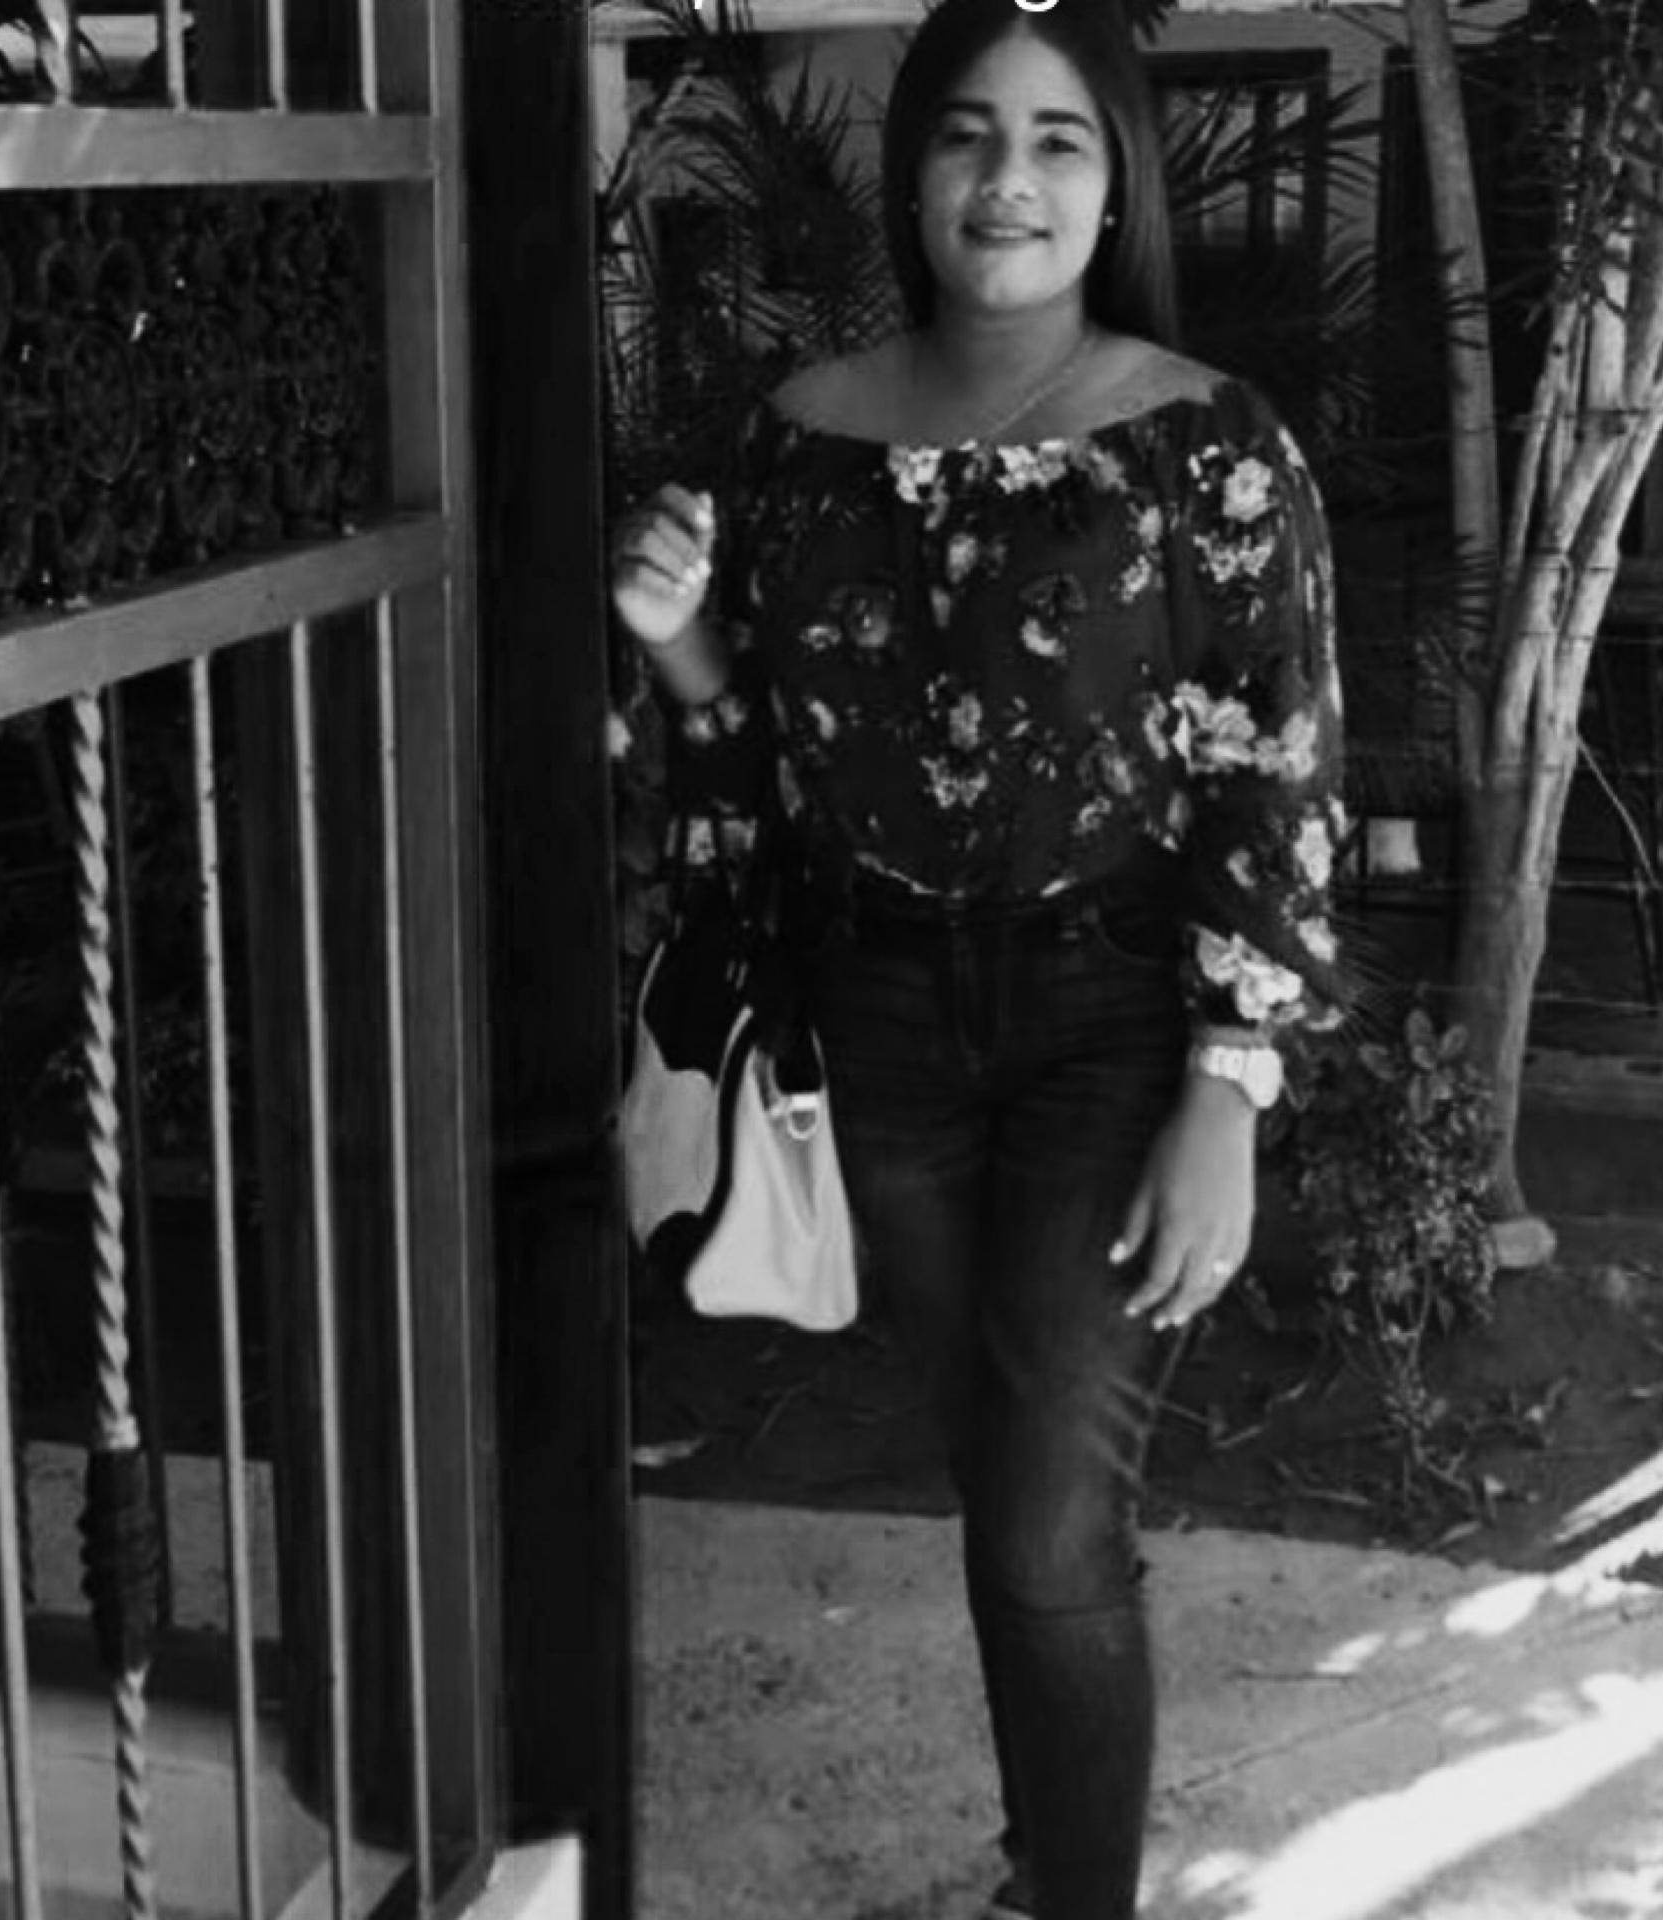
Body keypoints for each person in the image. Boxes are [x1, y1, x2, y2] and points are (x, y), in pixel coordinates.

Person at [609, 1, 1348, 1913]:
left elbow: (1274, 768)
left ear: (1114, 186)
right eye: (965, 134)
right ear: (913, 170)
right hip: (880, 1028)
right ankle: (1051, 1850)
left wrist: (1230, 1089)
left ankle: (1067, 1892)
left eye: (1056, 139)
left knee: (1041, 1519)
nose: (1006, 178)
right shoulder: (795, 441)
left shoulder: (1209, 443)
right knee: (1012, 1478)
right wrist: (678, 643)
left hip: (1115, 1020)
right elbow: (751, 769)